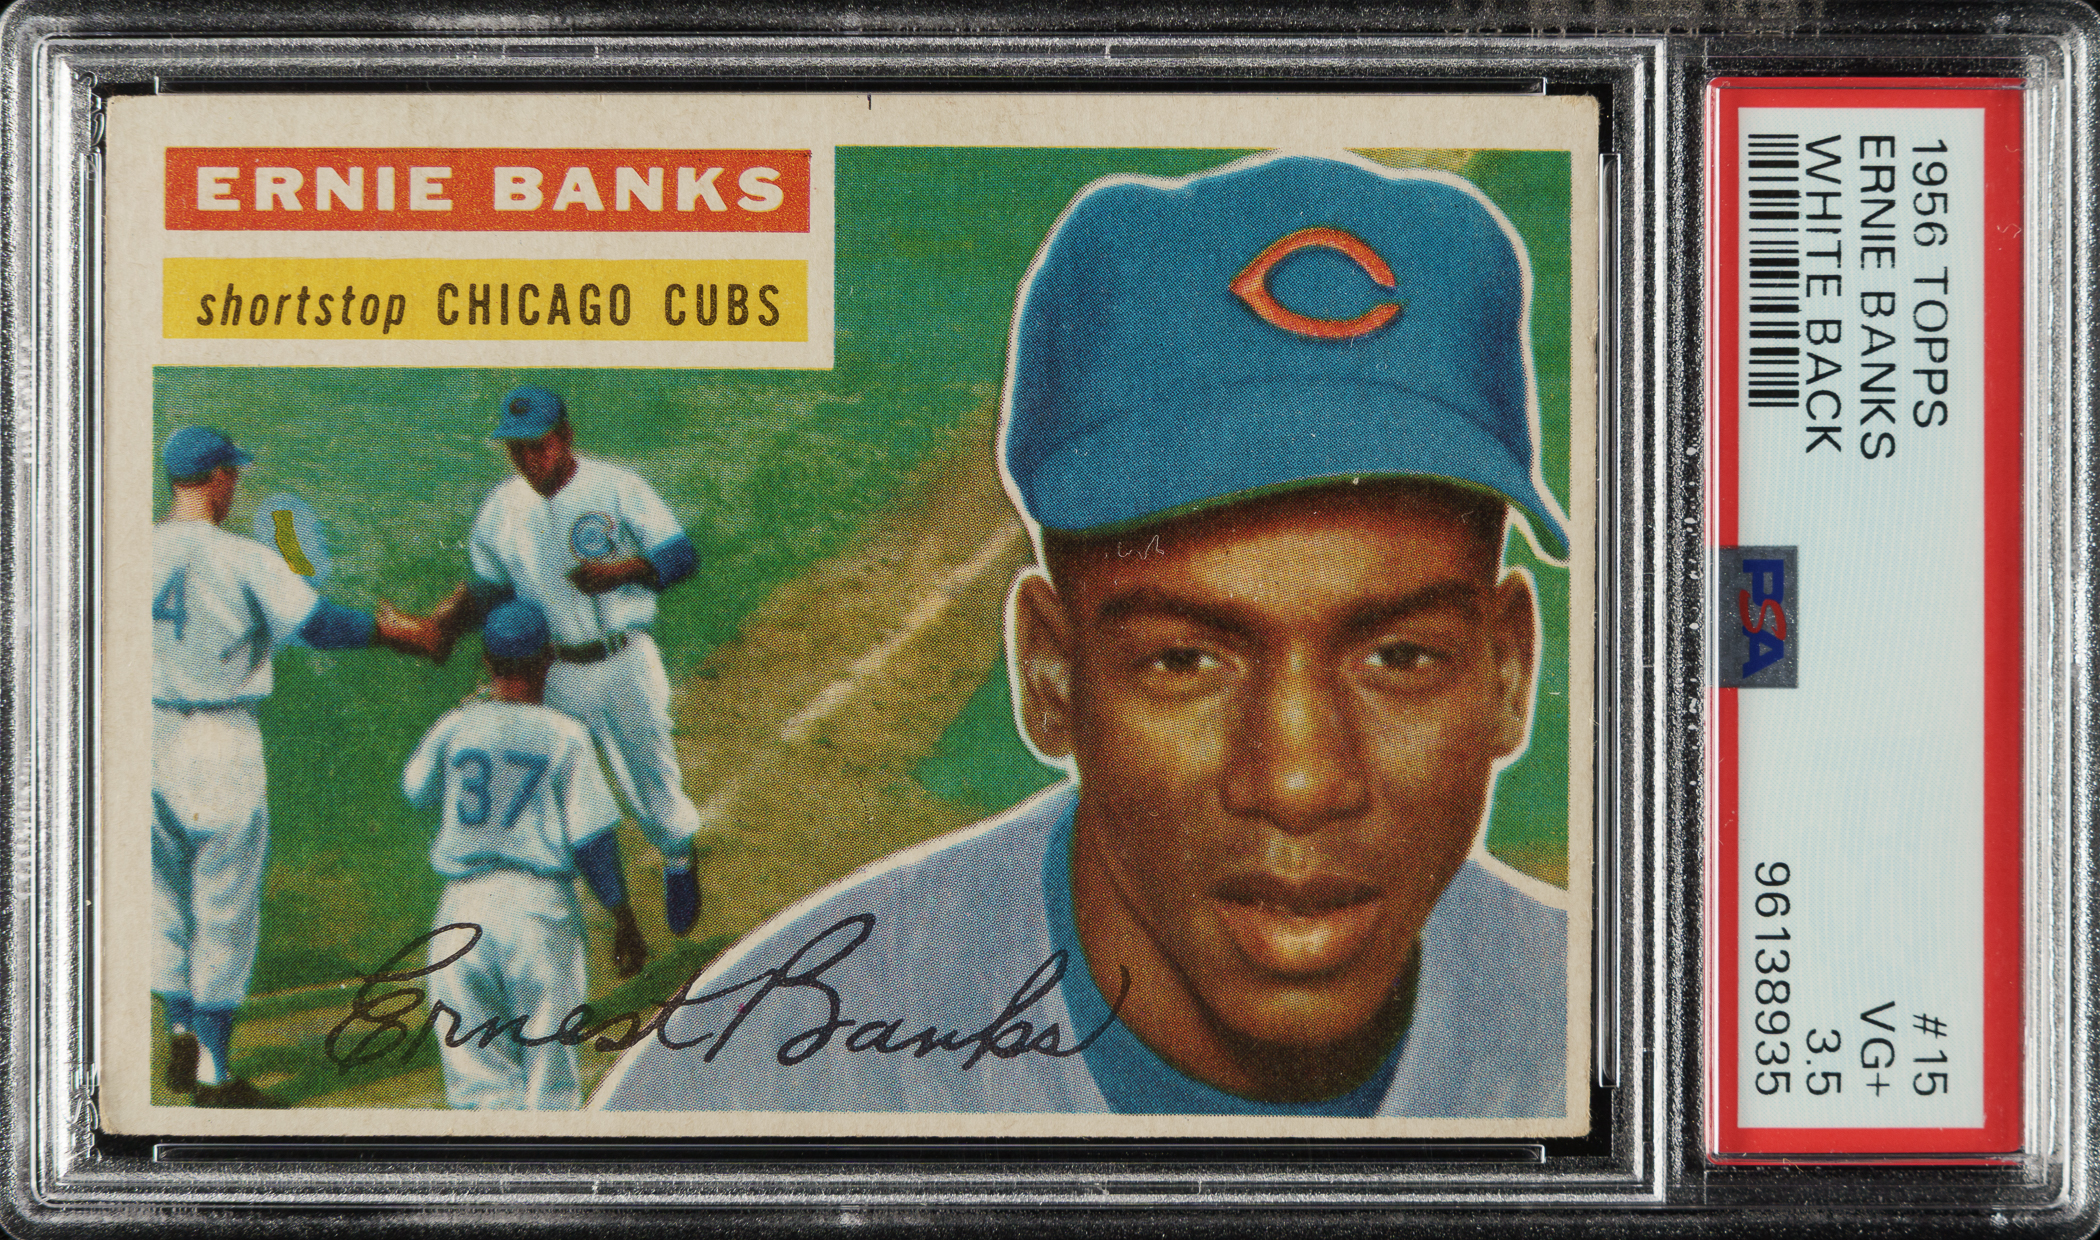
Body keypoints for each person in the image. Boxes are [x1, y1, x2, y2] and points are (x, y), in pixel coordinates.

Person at [593, 152, 1576, 1117]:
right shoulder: (746, 1094)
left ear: (1508, 672)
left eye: (1399, 658)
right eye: (1183, 660)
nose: (1299, 782)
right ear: (1049, 674)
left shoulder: (1623, 1042)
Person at [152, 426, 450, 1107]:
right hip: (218, 744)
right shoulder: (244, 558)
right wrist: (401, 632)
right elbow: (321, 626)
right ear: (220, 478)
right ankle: (214, 1076)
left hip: (145, 733)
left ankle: (178, 1033)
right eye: (234, 474)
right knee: (224, 905)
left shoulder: (128, 553)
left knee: (163, 897)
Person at [430, 387, 707, 937]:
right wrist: (454, 637)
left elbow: (681, 556)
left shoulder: (616, 486)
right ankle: (584, 908)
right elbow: (490, 595)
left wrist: (625, 571)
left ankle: (679, 857)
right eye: (518, 450)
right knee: (559, 793)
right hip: (552, 673)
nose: (530, 460)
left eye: (540, 446)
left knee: (648, 781)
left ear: (566, 437)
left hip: (623, 661)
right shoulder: (499, 511)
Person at [402, 600, 649, 1110]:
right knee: (549, 1082)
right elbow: (591, 840)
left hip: (459, 914)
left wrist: (473, 719)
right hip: (537, 917)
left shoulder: (455, 726)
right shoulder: (565, 736)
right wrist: (622, 916)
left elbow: (415, 789)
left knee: (478, 1088)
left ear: (486, 662)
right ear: (547, 660)